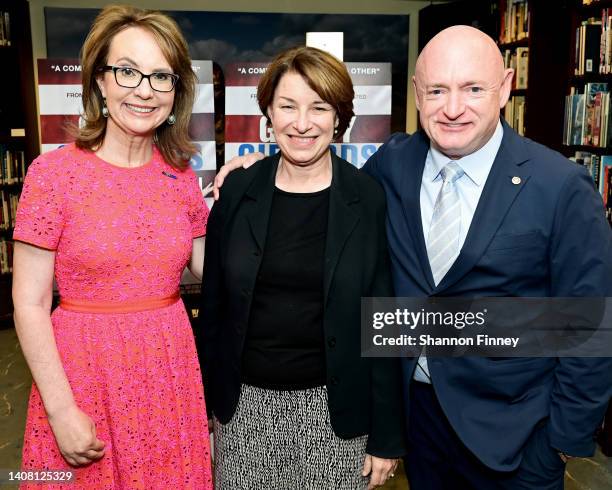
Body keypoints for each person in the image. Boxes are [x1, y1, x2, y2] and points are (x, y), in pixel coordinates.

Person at [215, 26, 612, 490]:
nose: (453, 108)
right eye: (437, 90)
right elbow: (324, 191)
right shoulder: (393, 165)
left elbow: (589, 325)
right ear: (418, 96)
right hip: (418, 423)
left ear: (505, 88)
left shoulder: (560, 186)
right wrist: (251, 170)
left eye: (473, 89)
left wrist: (564, 439)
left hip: (515, 439)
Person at [12, 5, 212, 488]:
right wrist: (61, 411)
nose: (145, 90)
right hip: (83, 380)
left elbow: (214, 270)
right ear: (99, 80)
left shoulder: (180, 177)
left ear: (176, 91)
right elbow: (30, 301)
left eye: (161, 76)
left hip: (168, 376)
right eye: (128, 71)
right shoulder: (53, 175)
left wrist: (254, 198)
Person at [200, 46, 406, 490]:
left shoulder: (367, 198)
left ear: (339, 117)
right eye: (287, 106)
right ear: (268, 114)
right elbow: (213, 312)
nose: (302, 122)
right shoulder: (236, 193)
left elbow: (383, 324)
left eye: (319, 107)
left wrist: (387, 437)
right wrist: (204, 416)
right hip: (243, 415)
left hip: (337, 419)